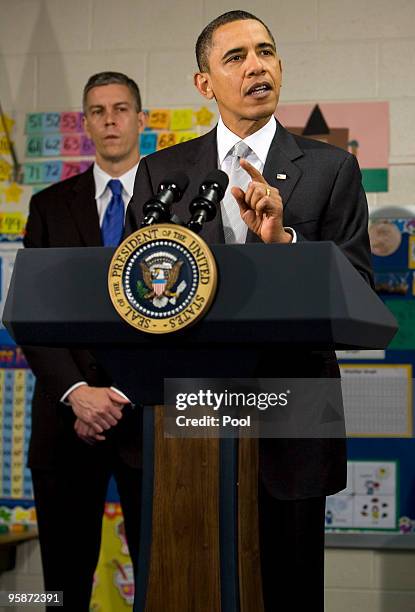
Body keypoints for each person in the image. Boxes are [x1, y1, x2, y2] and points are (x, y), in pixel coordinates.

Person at [124, 11, 373, 611]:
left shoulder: (331, 169)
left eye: (266, 51)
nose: (257, 65)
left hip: (293, 413)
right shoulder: (164, 174)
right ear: (204, 83)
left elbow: (360, 291)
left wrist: (284, 246)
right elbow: (132, 293)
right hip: (195, 413)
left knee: (287, 591)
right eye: (235, 57)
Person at [23, 71, 145, 611]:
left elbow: (190, 314)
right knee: (59, 587)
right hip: (66, 419)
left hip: (149, 417)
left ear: (141, 120)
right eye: (98, 111)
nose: (111, 119)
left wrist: (122, 391)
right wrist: (77, 391)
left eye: (121, 109)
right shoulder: (49, 207)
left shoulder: (184, 206)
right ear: (86, 123)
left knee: (169, 575)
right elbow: (33, 312)